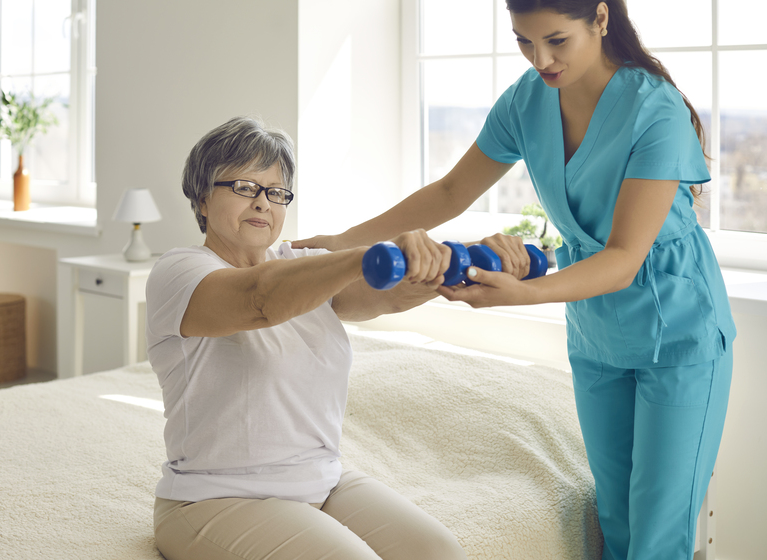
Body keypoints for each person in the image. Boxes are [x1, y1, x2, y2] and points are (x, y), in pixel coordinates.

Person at [293, 1, 736, 559]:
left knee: (656, 537)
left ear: (600, 19)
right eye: (525, 42)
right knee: (617, 524)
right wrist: (347, 242)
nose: (541, 59)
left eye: (556, 40)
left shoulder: (656, 109)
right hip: (598, 332)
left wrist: (527, 294)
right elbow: (451, 193)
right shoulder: (527, 101)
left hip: (678, 333)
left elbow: (624, 256)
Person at [145, 116, 466, 560]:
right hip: (213, 497)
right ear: (202, 198)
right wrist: (368, 254)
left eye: (275, 193)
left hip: (322, 479)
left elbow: (388, 297)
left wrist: (457, 265)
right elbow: (261, 298)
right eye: (243, 187)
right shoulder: (180, 271)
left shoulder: (307, 263)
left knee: (439, 552)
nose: (262, 203)